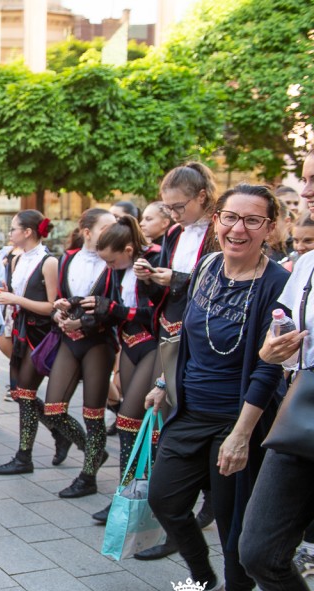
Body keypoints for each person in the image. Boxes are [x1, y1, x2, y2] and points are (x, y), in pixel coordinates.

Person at [146, 183, 289, 591]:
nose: (238, 228)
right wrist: (164, 383)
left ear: (269, 228)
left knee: (232, 521)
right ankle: (203, 580)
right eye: (230, 217)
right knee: (164, 499)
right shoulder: (207, 267)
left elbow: (269, 367)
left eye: (252, 220)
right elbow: (187, 337)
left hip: (239, 417)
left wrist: (242, 434)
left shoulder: (277, 283)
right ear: (216, 220)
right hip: (189, 411)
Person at [239, 154, 314, 591]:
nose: (306, 189)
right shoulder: (305, 266)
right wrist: (274, 349)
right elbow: (282, 330)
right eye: (306, 178)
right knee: (259, 549)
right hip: (304, 415)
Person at [133, 162, 219, 559]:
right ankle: (174, 511)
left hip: (201, 338)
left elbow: (218, 285)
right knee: (166, 416)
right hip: (170, 331)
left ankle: (197, 505)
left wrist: (177, 279)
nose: (172, 214)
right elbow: (163, 294)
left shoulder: (219, 232)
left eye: (178, 206)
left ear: (202, 196)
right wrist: (150, 278)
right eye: (168, 207)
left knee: (186, 421)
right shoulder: (173, 233)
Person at [0, 211, 78, 476]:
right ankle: (60, 434)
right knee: (21, 393)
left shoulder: (48, 261)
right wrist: (6, 295)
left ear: (28, 232)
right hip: (19, 331)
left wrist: (15, 299)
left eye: (13, 228)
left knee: (25, 392)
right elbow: (19, 295)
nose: (10, 233)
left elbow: (52, 306)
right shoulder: (16, 258)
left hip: (39, 334)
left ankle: (26, 456)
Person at [89, 216, 162, 522]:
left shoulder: (154, 260)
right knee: (132, 422)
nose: (109, 266)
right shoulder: (119, 269)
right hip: (130, 345)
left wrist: (114, 309)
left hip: (154, 346)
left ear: (129, 250)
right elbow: (110, 304)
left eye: (112, 260)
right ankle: (131, 495)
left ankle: (138, 496)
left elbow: (155, 312)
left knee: (131, 419)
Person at [48, 208, 118, 498]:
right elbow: (59, 299)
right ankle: (93, 451)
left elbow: (116, 306)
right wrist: (59, 313)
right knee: (53, 409)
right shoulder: (68, 258)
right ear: (88, 232)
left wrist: (84, 323)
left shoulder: (114, 263)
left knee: (93, 413)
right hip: (69, 339)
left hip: (99, 341)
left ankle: (88, 476)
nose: (113, 231)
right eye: (106, 227)